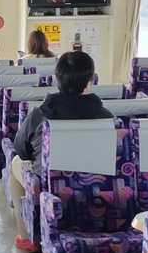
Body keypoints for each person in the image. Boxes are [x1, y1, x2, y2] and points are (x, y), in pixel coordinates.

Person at [9, 51, 111, 242]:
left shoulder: (40, 115)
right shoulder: (106, 117)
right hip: (96, 185)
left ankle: (26, 237)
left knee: (15, 163)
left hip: (50, 186)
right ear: (90, 80)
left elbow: (21, 149)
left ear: (57, 79)